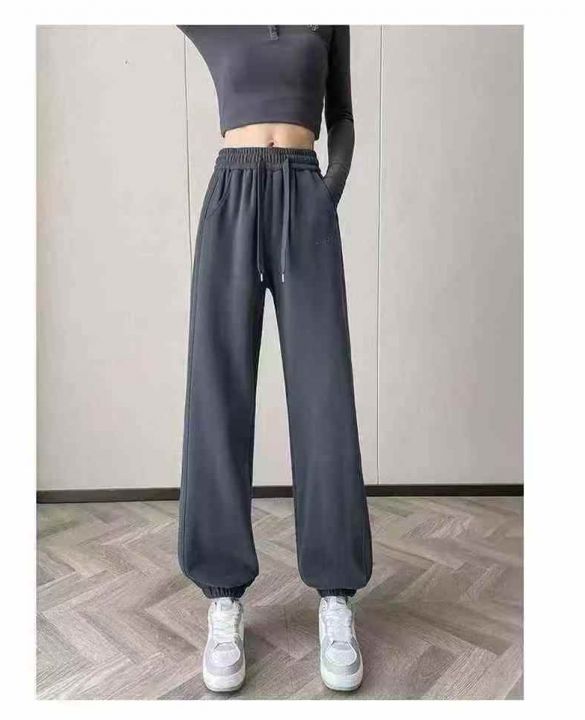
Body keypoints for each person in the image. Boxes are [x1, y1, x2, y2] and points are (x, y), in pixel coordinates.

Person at [177, 25, 372, 693]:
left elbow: (342, 117)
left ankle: (336, 596)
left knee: (324, 397)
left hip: (302, 191)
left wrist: (325, 194)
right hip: (231, 194)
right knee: (218, 390)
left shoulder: (328, 17)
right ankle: (223, 597)